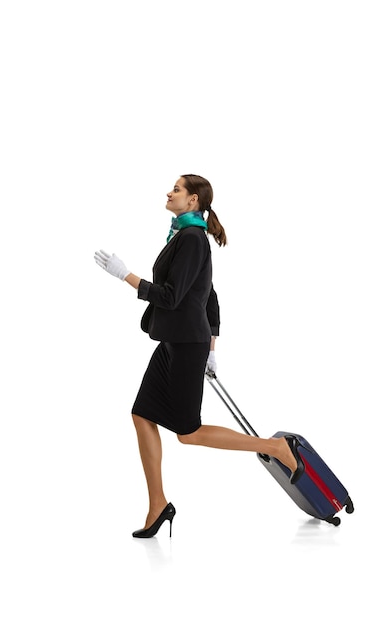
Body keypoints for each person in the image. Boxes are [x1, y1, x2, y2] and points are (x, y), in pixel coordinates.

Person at [94, 174, 303, 539]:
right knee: (142, 414)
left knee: (187, 433)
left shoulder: (191, 238)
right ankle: (158, 503)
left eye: (176, 189)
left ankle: (275, 447)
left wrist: (125, 276)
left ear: (193, 201)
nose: (168, 192)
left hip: (187, 343)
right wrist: (213, 347)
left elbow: (173, 297)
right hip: (175, 341)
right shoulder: (185, 235)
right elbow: (209, 295)